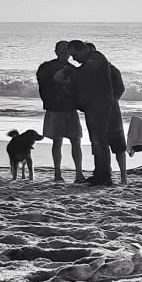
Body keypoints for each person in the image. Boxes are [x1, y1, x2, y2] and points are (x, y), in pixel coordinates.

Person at [64, 39, 114, 186]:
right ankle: (99, 173)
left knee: (99, 140)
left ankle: (104, 176)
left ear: (82, 49)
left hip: (100, 105)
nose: (74, 59)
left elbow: (85, 74)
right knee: (96, 140)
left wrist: (66, 71)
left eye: (74, 55)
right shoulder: (89, 61)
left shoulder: (96, 58)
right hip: (93, 105)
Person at [36, 40, 85, 183]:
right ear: (56, 52)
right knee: (57, 141)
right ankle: (57, 173)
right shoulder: (47, 67)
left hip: (70, 108)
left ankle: (79, 173)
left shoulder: (73, 69)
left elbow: (78, 88)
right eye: (62, 52)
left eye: (67, 52)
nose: (64, 55)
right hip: (55, 108)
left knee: (76, 140)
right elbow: (43, 85)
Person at [87, 42, 128, 186]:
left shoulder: (111, 69)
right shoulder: (88, 70)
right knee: (98, 145)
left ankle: (123, 176)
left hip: (111, 110)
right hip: (98, 110)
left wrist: (110, 101)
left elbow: (120, 89)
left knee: (118, 145)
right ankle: (102, 173)